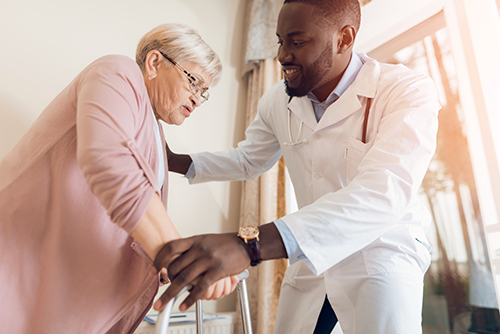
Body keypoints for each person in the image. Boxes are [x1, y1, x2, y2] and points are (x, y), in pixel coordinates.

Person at [153, 0, 441, 333]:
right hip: (311, 254)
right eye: (280, 41)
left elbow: (383, 193)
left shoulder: (403, 91)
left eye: (298, 41)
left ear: (344, 39)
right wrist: (175, 161)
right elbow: (249, 160)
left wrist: (250, 245)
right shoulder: (278, 99)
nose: (283, 55)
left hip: (381, 251)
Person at [0, 23, 238, 334]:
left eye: (203, 92)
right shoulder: (117, 71)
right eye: (193, 82)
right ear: (154, 63)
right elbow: (110, 162)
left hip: (77, 281)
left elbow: (142, 215)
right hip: (25, 254)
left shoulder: (153, 130)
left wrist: (189, 259)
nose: (196, 98)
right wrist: (183, 261)